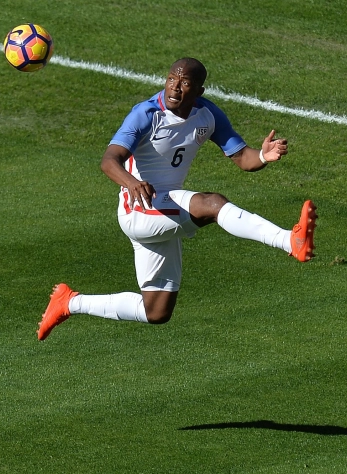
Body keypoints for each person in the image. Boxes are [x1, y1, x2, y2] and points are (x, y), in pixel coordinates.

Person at [37, 57, 317, 341]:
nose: (175, 87)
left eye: (185, 83)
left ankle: (69, 302)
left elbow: (242, 158)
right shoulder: (146, 113)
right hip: (140, 209)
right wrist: (132, 183)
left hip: (164, 210)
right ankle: (288, 240)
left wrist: (262, 155)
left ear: (199, 91)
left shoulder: (207, 114)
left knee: (156, 311)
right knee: (213, 204)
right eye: (172, 79)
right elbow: (109, 161)